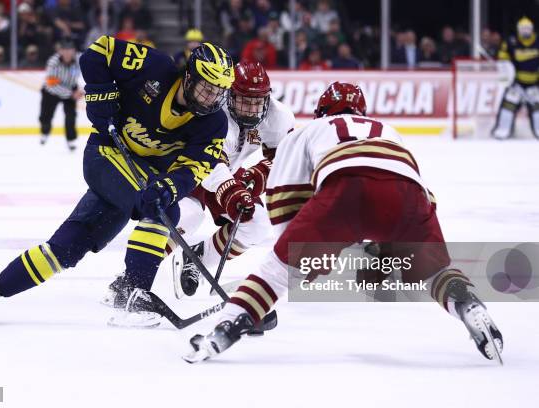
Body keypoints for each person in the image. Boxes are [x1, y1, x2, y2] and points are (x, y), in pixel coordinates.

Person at [183, 82, 503, 363]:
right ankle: (469, 305)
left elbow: (284, 198)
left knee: (275, 273)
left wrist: (299, 258)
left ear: (322, 111)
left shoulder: (311, 130)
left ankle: (224, 331)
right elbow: (424, 197)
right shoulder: (389, 131)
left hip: (345, 190)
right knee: (434, 272)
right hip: (407, 196)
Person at [0, 39, 234, 327]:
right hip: (105, 156)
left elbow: (194, 169)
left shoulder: (214, 124)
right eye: (206, 87)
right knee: (166, 212)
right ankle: (133, 293)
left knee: (65, 249)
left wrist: (169, 187)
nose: (211, 97)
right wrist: (101, 93)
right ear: (189, 76)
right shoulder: (154, 67)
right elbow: (98, 51)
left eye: (218, 92)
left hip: (138, 179)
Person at [102, 61, 295, 306]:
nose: (251, 109)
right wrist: (233, 190)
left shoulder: (278, 116)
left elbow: (285, 160)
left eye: (257, 102)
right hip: (187, 169)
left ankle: (198, 259)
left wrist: (259, 174)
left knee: (257, 224)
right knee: (187, 216)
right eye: (245, 100)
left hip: (227, 173)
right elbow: (211, 162)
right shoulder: (215, 112)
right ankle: (132, 279)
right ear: (230, 94)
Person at [491, 17, 539, 140]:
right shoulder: (510, 42)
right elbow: (503, 61)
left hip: (534, 84)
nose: (525, 31)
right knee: (508, 105)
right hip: (516, 84)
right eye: (522, 29)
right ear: (518, 30)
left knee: (537, 108)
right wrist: (510, 79)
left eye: (527, 29)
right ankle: (502, 129)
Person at [39, 39, 82, 150]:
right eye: (64, 50)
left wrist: (82, 90)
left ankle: (71, 140)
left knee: (71, 116)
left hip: (71, 88)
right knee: (46, 116)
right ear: (60, 51)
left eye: (70, 50)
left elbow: (91, 72)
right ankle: (45, 131)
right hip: (51, 92)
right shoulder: (53, 62)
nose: (67, 53)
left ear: (74, 51)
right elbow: (51, 84)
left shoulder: (80, 59)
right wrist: (71, 93)